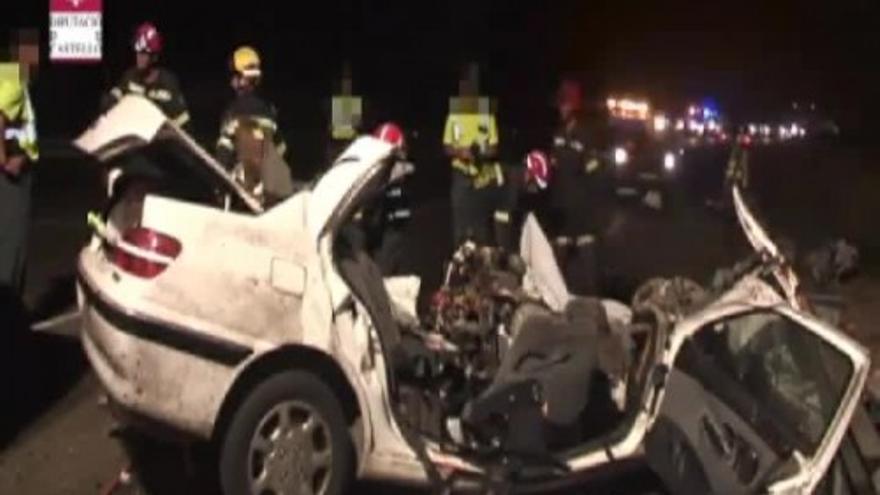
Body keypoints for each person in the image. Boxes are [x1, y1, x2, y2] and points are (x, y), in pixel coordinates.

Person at [548, 79, 606, 296]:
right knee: (556, 263)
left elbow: (595, 171)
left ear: (575, 107)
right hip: (561, 207)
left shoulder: (586, 135)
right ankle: (556, 302)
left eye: (566, 104)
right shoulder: (558, 135)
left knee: (588, 259)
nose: (562, 109)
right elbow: (553, 168)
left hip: (582, 207)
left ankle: (594, 302)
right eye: (561, 104)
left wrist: (590, 203)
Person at [216, 45, 291, 206]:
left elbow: (223, 155)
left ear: (243, 78)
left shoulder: (232, 112)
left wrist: (219, 189)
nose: (231, 81)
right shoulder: (269, 112)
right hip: (269, 197)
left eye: (234, 76)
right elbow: (282, 151)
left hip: (241, 197)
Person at [0, 30, 39, 311]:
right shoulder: (14, 77)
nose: (34, 57)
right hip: (11, 179)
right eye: (29, 50)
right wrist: (5, 161)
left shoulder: (9, 75)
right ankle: (8, 312)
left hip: (16, 171)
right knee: (11, 248)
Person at [443, 63, 502, 247]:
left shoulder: (486, 112)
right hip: (461, 176)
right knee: (460, 230)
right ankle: (460, 267)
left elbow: (495, 147)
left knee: (481, 229)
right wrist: (460, 151)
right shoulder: (455, 113)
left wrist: (480, 152)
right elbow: (446, 146)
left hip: (482, 177)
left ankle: (482, 269)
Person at [101, 22, 190, 129]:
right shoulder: (129, 77)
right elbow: (113, 98)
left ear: (155, 57)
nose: (139, 57)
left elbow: (183, 123)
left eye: (144, 53)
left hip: (159, 139)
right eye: (138, 52)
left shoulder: (168, 83)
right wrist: (107, 102)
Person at [371, 122, 414, 275]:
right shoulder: (375, 167)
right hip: (377, 227)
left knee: (385, 266)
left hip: (393, 226)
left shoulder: (400, 169)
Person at [492, 150, 551, 253]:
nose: (535, 190)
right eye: (535, 184)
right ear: (529, 174)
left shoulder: (517, 184)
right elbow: (502, 219)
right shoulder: (510, 187)